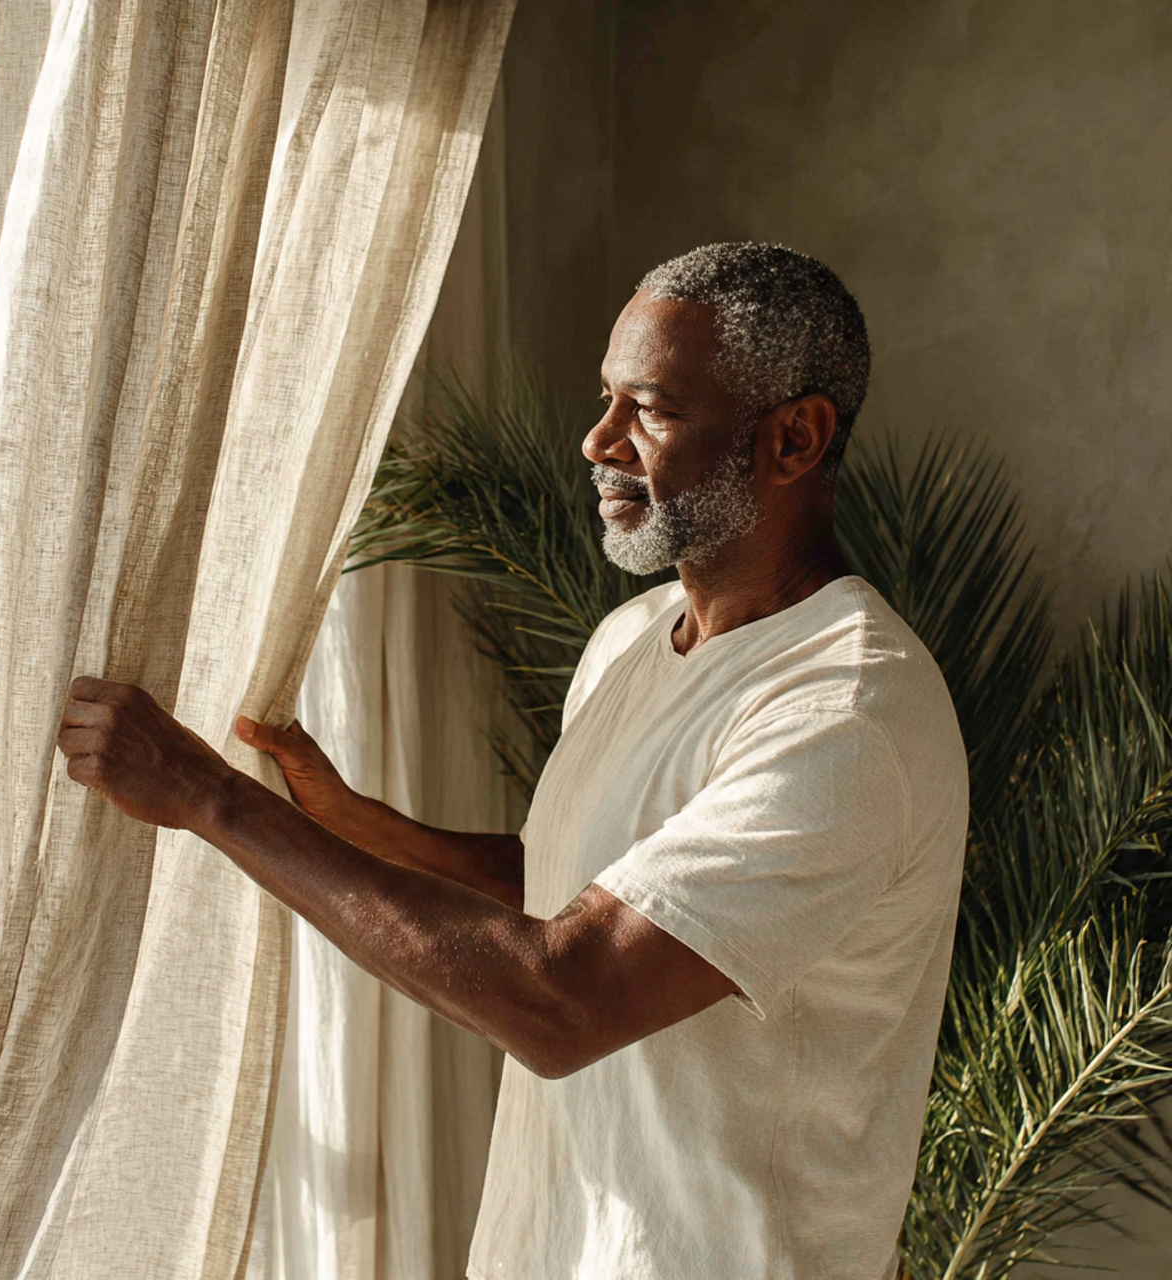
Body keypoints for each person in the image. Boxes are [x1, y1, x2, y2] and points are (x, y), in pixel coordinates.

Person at [58, 242, 968, 1279]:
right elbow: (578, 891)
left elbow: (564, 996)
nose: (598, 440)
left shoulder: (845, 709)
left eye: (650, 408)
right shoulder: (631, 640)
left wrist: (209, 799)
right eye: (605, 399)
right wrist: (352, 824)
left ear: (793, 438)